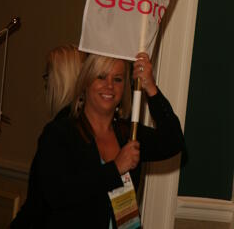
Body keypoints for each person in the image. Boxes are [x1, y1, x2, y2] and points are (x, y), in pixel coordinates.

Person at [26, 51, 184, 228]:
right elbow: (57, 194)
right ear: (86, 82)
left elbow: (173, 141)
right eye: (101, 77)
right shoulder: (60, 133)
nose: (109, 86)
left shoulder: (128, 134)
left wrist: (150, 87)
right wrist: (115, 168)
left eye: (117, 79)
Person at [10, 44, 87, 228]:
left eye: (48, 76)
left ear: (59, 80)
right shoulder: (91, 127)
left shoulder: (58, 132)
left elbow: (40, 202)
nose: (45, 84)